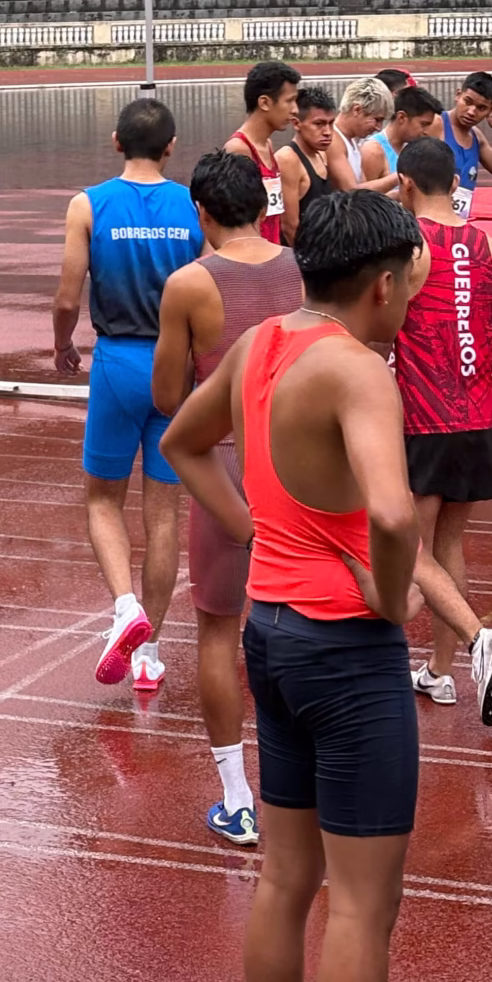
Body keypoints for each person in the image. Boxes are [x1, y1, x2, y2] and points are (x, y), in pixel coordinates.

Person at [160, 191, 428, 982]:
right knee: (359, 907)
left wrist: (253, 529)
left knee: (284, 878)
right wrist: (390, 596)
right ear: (380, 286)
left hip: (271, 636)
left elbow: (182, 443)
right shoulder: (357, 369)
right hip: (346, 653)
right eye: (410, 282)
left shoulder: (260, 343)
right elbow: (392, 514)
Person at [152, 150, 302, 846]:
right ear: (266, 205)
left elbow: (164, 398)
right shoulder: (303, 269)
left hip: (226, 466)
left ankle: (238, 799)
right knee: (308, 619)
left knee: (219, 628)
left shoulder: (189, 283)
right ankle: (309, 786)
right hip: (305, 462)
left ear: (203, 213)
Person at [54, 97, 202, 689]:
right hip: (177, 367)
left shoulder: (88, 204)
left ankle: (124, 607)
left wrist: (63, 344)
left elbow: (68, 297)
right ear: (172, 146)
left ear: (116, 141)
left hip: (117, 361)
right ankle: (149, 654)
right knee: (163, 514)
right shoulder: (193, 204)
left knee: (101, 500)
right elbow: (210, 284)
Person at [394, 135, 492, 711]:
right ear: (455, 184)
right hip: (476, 418)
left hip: (422, 421)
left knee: (406, 546)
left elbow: (381, 330)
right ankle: (440, 671)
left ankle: (472, 639)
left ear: (405, 185)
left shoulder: (408, 251)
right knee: (448, 543)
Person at [225, 60, 301, 243]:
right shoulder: (239, 149)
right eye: (289, 101)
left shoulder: (267, 145)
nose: (295, 110)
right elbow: (237, 222)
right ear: (265, 103)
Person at [442, 69, 492, 216]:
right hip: (430, 221)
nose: (471, 112)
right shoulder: (436, 125)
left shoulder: (476, 137)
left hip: (459, 221)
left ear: (491, 109)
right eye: (468, 102)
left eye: (481, 108)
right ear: (458, 95)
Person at [277, 85, 336, 245]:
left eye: (331, 124)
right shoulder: (288, 159)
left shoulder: (322, 154)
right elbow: (289, 226)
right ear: (296, 124)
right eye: (319, 124)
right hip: (298, 256)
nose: (328, 132)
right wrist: (310, 267)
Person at [363, 84, 444, 185]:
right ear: (401, 117)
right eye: (423, 124)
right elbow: (362, 196)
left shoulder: (413, 150)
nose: (426, 132)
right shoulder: (373, 150)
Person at [326, 74, 394, 191]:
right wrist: (399, 177)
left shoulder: (352, 141)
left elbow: (364, 192)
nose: (379, 128)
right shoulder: (333, 140)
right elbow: (351, 191)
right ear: (357, 110)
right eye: (377, 119)